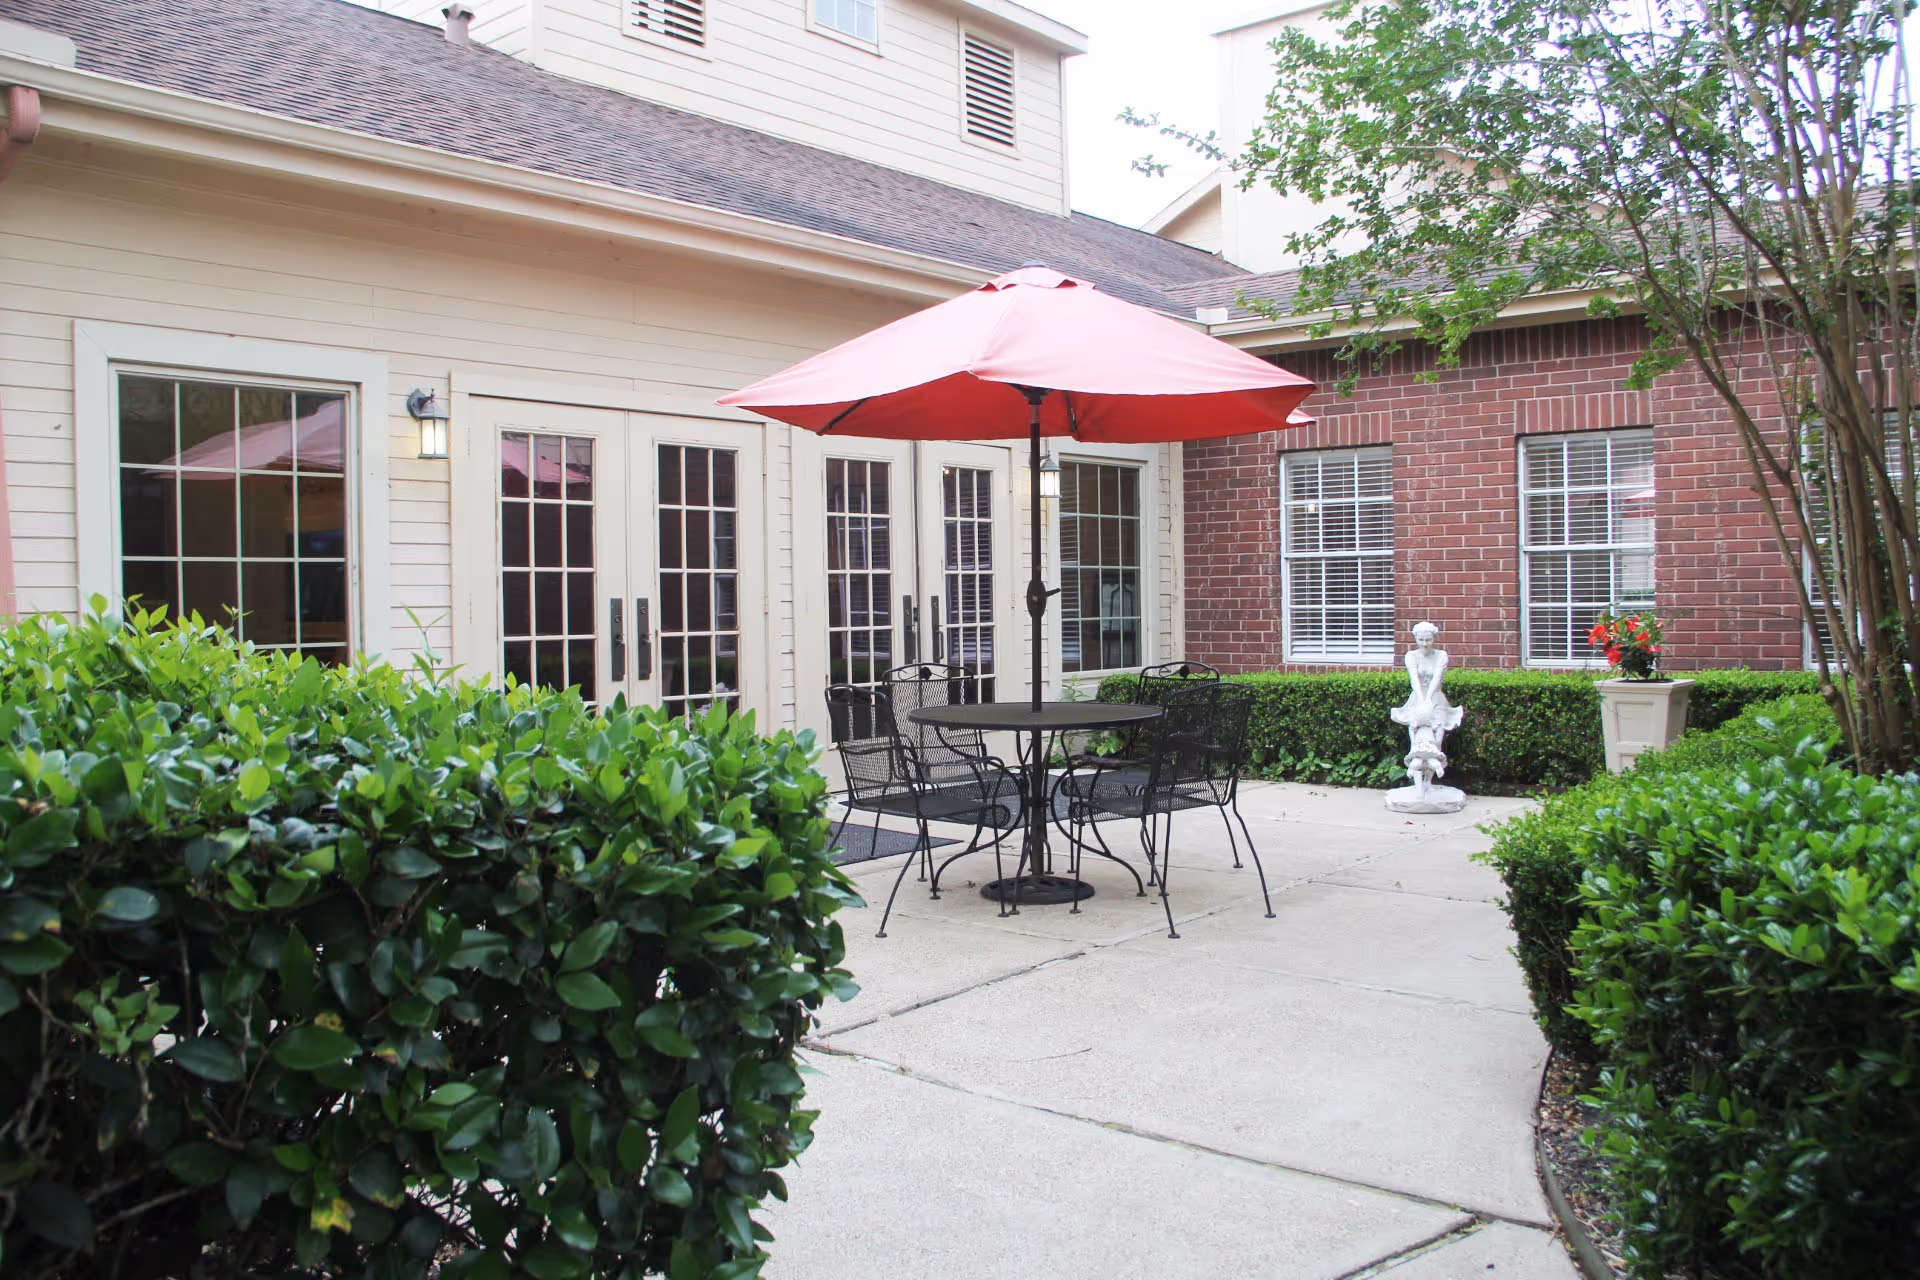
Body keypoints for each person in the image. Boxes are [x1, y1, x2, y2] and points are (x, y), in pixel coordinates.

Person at [1390, 622, 1464, 736]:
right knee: (1415, 726)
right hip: (1418, 696)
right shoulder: (1411, 656)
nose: (1424, 644)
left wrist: (1428, 699)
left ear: (1434, 639)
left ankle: (1436, 751)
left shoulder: (1441, 656)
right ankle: (1415, 751)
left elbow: (1437, 678)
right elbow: (1414, 679)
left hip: (1435, 695)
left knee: (1438, 727)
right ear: (1416, 639)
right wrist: (1421, 700)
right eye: (1421, 640)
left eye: (1428, 640)